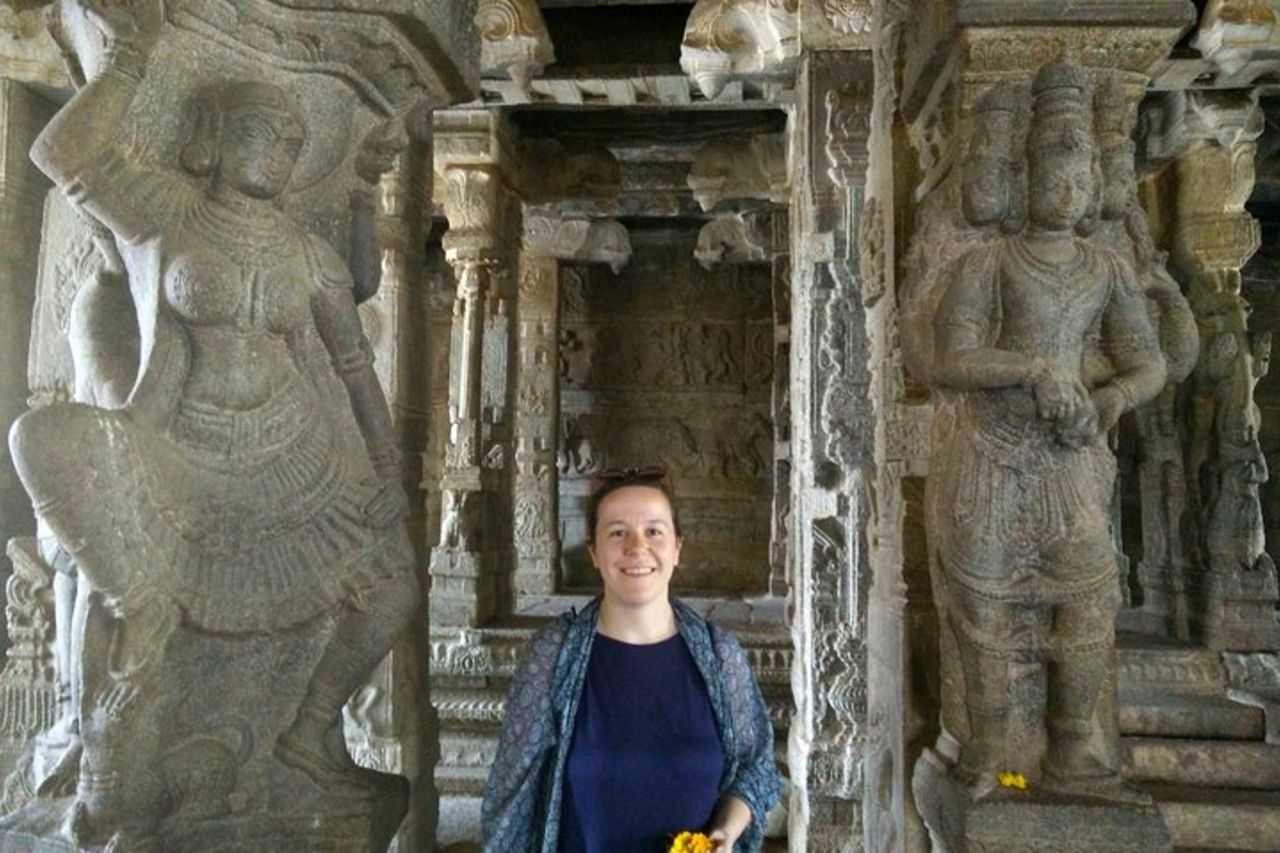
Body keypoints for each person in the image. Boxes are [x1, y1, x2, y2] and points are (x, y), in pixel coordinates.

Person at [7, 0, 417, 829]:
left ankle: (306, 731)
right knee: (40, 439)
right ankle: (132, 660)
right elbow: (62, 154)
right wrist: (131, 57)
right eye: (261, 130)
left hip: (294, 459)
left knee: (393, 587)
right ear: (214, 140)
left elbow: (353, 363)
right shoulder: (167, 212)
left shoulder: (305, 253)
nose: (280, 147)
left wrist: (385, 471)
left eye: (291, 139)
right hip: (175, 448)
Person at [927, 60, 1165, 802]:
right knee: (984, 606)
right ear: (1020, 176)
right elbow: (950, 358)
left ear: (1098, 183)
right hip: (992, 458)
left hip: (1069, 459)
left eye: (1083, 170)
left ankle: (1075, 745)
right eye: (1054, 167)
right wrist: (1031, 369)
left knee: (1089, 597)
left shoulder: (1106, 269)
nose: (1069, 184)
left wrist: (1113, 398)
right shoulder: (989, 260)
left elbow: (1149, 360)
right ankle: (989, 743)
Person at [482, 468, 781, 851]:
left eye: (654, 531)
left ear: (677, 548)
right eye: (617, 533)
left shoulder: (720, 655)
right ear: (593, 552)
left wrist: (725, 832)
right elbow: (510, 795)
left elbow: (756, 768)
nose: (637, 547)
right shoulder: (554, 655)